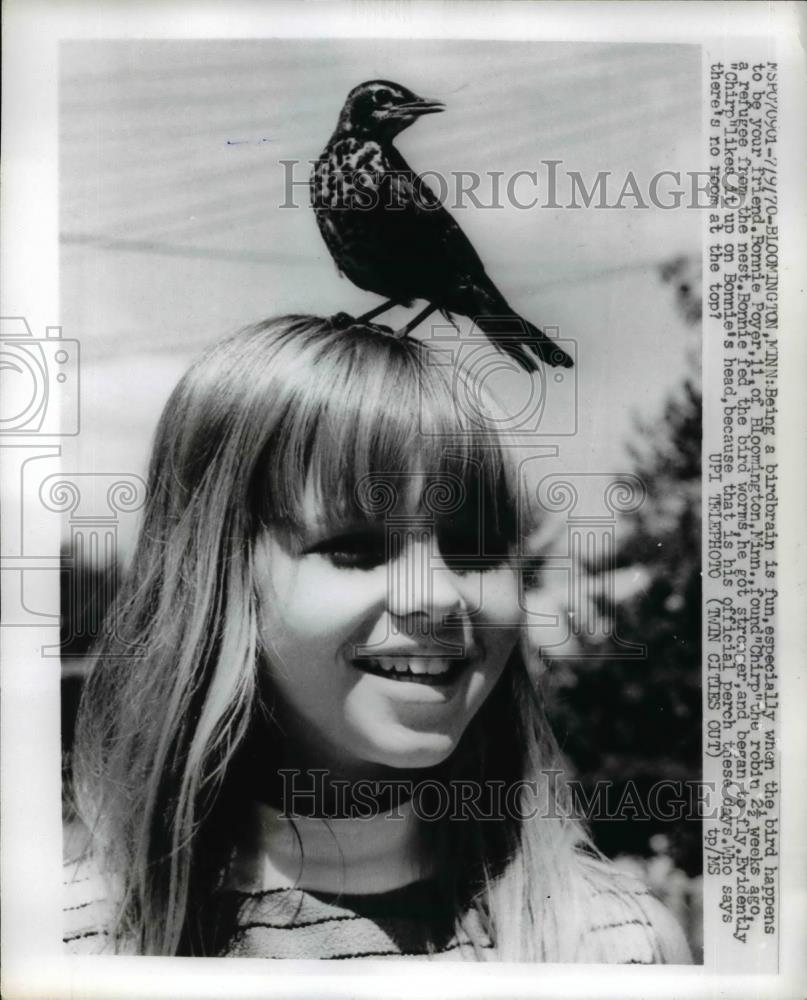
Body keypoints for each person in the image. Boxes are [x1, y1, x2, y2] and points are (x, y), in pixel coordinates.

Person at [64, 314, 691, 962]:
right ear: (215, 581)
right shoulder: (79, 948)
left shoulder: (616, 946)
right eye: (355, 548)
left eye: (473, 548)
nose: (436, 597)